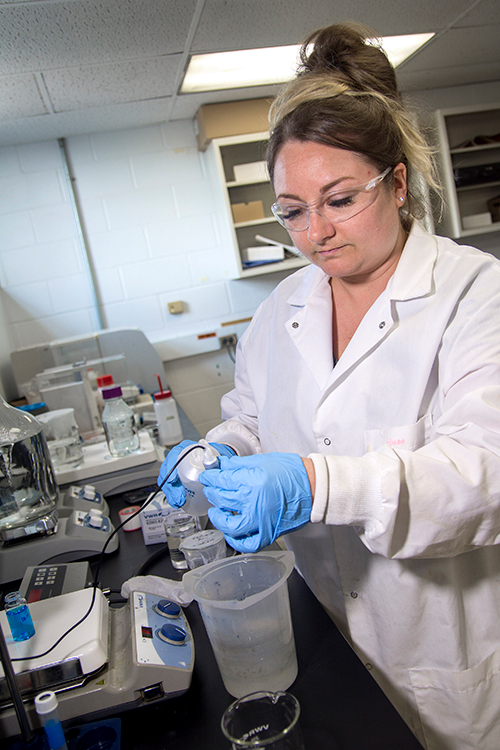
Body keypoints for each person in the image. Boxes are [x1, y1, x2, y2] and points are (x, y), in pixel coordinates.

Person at [158, 23, 500, 750]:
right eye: (292, 211)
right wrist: (215, 454)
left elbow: (483, 474)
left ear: (398, 182)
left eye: (341, 199)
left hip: (446, 653)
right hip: (322, 632)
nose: (316, 233)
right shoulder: (283, 308)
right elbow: (251, 419)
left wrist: (315, 486)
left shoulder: (477, 294)